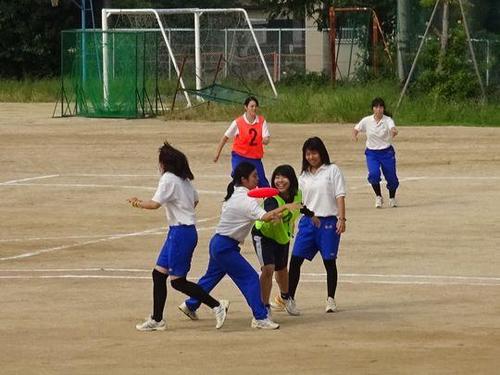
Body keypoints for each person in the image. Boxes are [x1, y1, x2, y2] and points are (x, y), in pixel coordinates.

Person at [178, 162, 300, 330]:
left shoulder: (235, 193)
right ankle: (260, 317)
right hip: (225, 247)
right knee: (250, 278)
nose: (258, 179)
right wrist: (285, 207)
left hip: (219, 243)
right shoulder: (245, 200)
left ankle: (190, 305)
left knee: (211, 276)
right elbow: (264, 217)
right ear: (244, 179)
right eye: (254, 176)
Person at [128, 142, 229, 332]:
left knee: (177, 281)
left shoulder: (168, 179)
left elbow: (154, 204)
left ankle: (216, 305)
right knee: (158, 274)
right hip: (179, 231)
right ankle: (157, 319)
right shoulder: (184, 180)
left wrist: (137, 203)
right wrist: (183, 210)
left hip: (181, 234)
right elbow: (196, 200)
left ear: (165, 163)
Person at [287, 137, 346, 314]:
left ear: (321, 153)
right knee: (296, 260)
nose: (311, 157)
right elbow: (299, 202)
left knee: (329, 262)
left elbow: (340, 195)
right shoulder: (302, 176)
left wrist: (342, 219)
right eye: (308, 153)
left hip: (328, 222)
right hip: (308, 222)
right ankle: (289, 298)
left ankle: (330, 299)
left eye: (314, 152)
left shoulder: (332, 170)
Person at [251, 165, 307, 317]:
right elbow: (268, 214)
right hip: (264, 235)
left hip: (282, 235)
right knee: (268, 269)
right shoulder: (272, 199)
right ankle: (265, 306)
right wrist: (276, 216)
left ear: (292, 179)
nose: (279, 181)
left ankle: (286, 298)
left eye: (283, 177)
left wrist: (312, 215)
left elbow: (300, 208)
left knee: (282, 269)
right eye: (277, 177)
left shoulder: (297, 195)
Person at [352, 97, 399, 208]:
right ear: (373, 109)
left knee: (391, 178)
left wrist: (394, 131)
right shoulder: (367, 120)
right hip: (372, 153)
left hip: (386, 152)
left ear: (383, 109)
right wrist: (354, 135)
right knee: (373, 174)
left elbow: (393, 128)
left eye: (381, 107)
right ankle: (378, 196)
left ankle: (392, 198)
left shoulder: (387, 120)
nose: (378, 109)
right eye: (376, 107)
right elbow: (356, 128)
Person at [213, 96, 270, 187]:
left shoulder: (261, 121)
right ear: (246, 107)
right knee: (239, 179)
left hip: (255, 157)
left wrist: (265, 140)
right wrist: (217, 154)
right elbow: (225, 137)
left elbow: (266, 138)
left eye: (255, 106)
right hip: (240, 156)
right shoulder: (238, 122)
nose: (254, 108)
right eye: (252, 106)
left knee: (262, 182)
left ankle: (269, 200)